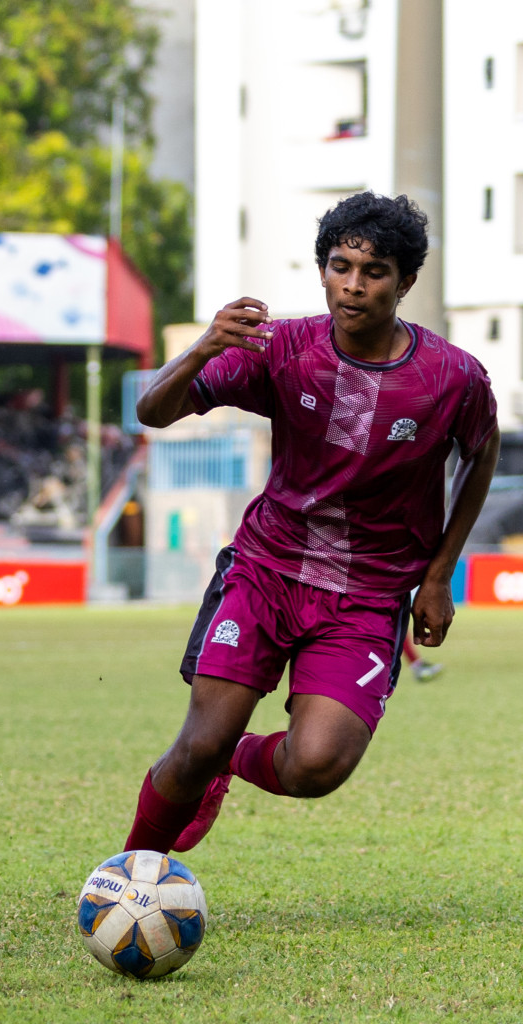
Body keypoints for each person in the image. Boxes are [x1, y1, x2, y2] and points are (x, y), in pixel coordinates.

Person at [122, 192, 498, 855]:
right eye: (339, 265)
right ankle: (131, 879)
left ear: (406, 281)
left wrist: (439, 575)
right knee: (196, 744)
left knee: (315, 767)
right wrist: (203, 348)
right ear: (322, 267)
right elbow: (153, 413)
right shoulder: (283, 348)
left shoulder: (452, 378)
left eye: (374, 271)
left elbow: (482, 450)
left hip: (368, 594)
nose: (352, 286)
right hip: (266, 572)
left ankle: (229, 764)